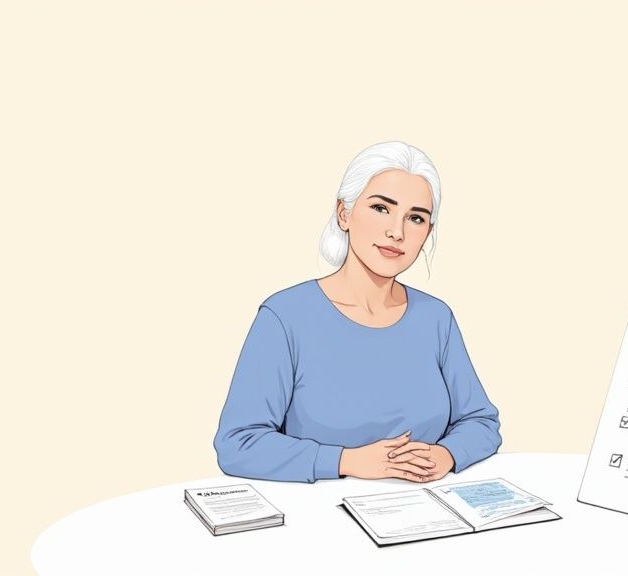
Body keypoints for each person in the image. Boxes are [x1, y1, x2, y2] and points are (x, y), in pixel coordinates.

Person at [213, 141, 501, 484]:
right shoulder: (285, 317)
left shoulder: (435, 318)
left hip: (430, 512)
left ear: (428, 233)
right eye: (381, 208)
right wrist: (345, 461)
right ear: (344, 213)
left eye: (416, 218)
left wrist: (446, 454)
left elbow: (482, 422)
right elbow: (238, 443)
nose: (397, 232)